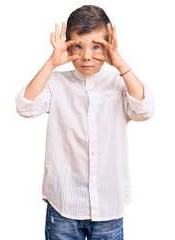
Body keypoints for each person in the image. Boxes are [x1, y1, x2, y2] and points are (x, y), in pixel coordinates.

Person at [15, 5, 155, 240]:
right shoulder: (56, 83)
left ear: (109, 46)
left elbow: (146, 110)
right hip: (63, 206)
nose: (86, 56)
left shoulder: (119, 83)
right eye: (78, 46)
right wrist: (50, 63)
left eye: (96, 46)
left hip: (108, 205)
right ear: (67, 44)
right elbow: (25, 107)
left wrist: (121, 65)